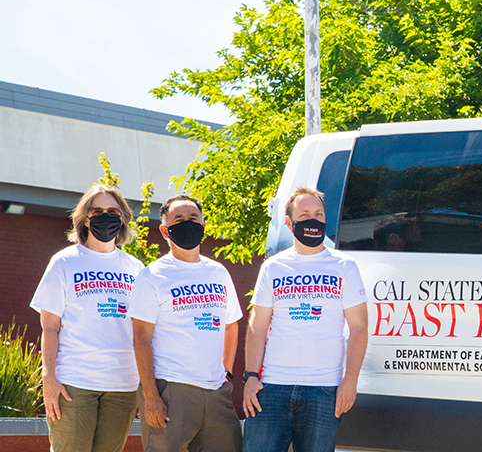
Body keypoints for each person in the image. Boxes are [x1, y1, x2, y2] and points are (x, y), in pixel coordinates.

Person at [242, 187, 369, 452]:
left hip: (324, 392)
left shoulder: (344, 266)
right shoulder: (273, 266)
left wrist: (350, 381)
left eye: (318, 214)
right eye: (304, 214)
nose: (313, 219)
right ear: (289, 223)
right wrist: (251, 377)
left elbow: (359, 326)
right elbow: (257, 325)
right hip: (271, 387)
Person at [30, 184, 143, 452]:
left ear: (123, 217)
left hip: (123, 386)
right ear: (85, 218)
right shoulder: (64, 262)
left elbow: (144, 332)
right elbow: (49, 327)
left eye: (113, 211)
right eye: (98, 211)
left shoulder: (136, 268)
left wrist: (144, 386)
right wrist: (49, 378)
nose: (106, 216)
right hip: (74, 383)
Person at [129, 195, 243, 452]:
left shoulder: (218, 272)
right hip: (172, 390)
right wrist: (151, 396)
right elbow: (141, 338)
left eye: (193, 218)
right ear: (164, 230)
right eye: (178, 219)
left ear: (203, 225)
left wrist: (226, 376)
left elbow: (231, 325)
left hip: (216, 392)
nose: (187, 224)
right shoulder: (152, 275)